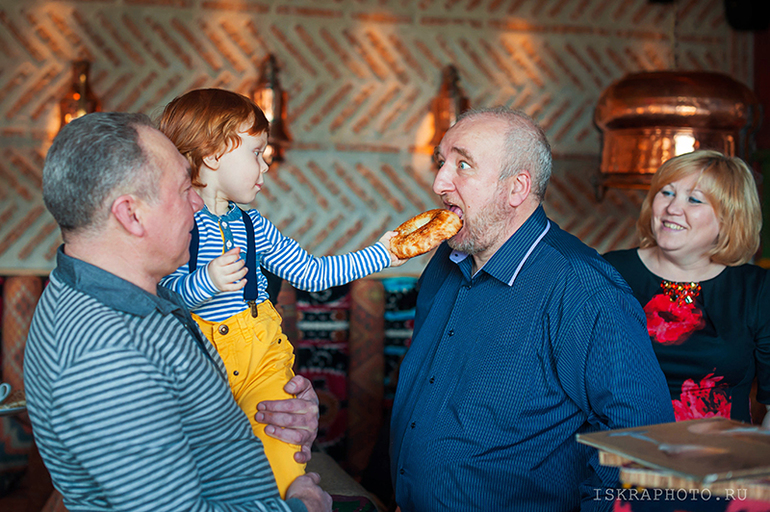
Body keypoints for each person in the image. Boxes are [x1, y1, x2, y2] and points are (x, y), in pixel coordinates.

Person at [23, 112, 332, 512]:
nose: (198, 202)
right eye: (185, 188)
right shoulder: (104, 357)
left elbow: (194, 425)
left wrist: (282, 413)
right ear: (131, 214)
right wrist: (301, 508)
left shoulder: (135, 297)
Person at [389, 106, 675, 512]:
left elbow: (642, 443)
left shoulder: (585, 290)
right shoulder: (443, 262)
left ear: (516, 188)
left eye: (463, 165)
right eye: (442, 162)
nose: (439, 183)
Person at [157, 88, 405, 496]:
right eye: (256, 152)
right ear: (214, 154)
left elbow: (313, 273)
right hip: (199, 366)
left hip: (262, 360)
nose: (266, 163)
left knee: (280, 447)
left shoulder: (254, 225)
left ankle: (295, 498)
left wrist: (383, 253)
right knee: (203, 464)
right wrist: (207, 283)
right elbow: (160, 298)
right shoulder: (175, 221)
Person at [603, 150, 770, 426]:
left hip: (720, 452)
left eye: (694, 199)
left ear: (729, 218)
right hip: (619, 448)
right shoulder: (609, 271)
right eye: (667, 193)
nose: (672, 208)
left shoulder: (757, 289)